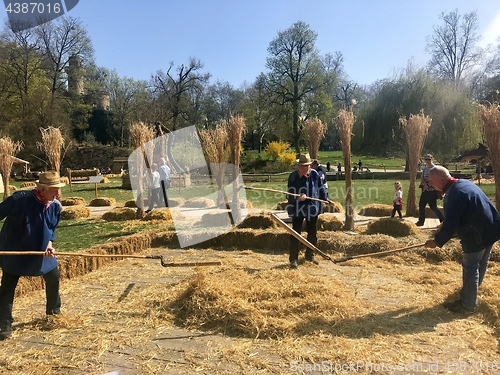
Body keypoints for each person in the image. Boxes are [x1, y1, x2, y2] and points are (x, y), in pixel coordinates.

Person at [424, 165, 500, 313]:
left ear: (441, 179)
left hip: (477, 234)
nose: (430, 185)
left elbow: (451, 224)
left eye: (431, 181)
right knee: (481, 263)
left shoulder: (454, 195)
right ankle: (472, 293)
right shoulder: (464, 183)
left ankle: (467, 304)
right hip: (492, 228)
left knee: (471, 267)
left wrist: (437, 242)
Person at [0, 171, 65, 340]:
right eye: (54, 189)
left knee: (54, 276)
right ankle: (4, 324)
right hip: (15, 250)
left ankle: (53, 314)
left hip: (40, 251)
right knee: (7, 287)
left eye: (58, 189)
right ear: (42, 189)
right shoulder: (18, 200)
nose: (57, 193)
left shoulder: (55, 205)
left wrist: (49, 244)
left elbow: (51, 229)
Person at [287, 154, 329, 268]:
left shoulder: (314, 174)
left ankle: (310, 256)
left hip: (312, 208)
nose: (305, 168)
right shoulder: (293, 177)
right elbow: (289, 195)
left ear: (310, 165)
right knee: (296, 234)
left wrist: (325, 198)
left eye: (307, 166)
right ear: (298, 166)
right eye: (302, 166)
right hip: (298, 209)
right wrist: (297, 197)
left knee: (312, 234)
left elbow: (321, 188)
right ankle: (293, 259)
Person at [416, 154, 444, 226]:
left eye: (429, 159)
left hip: (432, 190)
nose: (428, 161)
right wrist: (423, 183)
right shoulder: (425, 169)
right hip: (425, 190)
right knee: (421, 205)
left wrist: (428, 185)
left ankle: (443, 220)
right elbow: (422, 178)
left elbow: (435, 179)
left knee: (433, 206)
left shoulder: (434, 168)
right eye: (426, 159)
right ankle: (421, 221)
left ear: (432, 159)